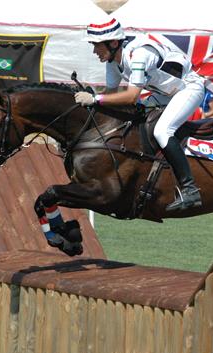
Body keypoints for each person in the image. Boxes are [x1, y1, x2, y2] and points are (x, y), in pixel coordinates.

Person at [74, 18, 205, 211]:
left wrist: (94, 99)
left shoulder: (139, 54)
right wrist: (91, 106)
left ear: (113, 43)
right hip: (164, 93)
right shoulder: (113, 62)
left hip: (189, 88)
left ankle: (190, 189)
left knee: (162, 131)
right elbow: (110, 95)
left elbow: (132, 96)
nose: (95, 52)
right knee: (134, 117)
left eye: (96, 46)